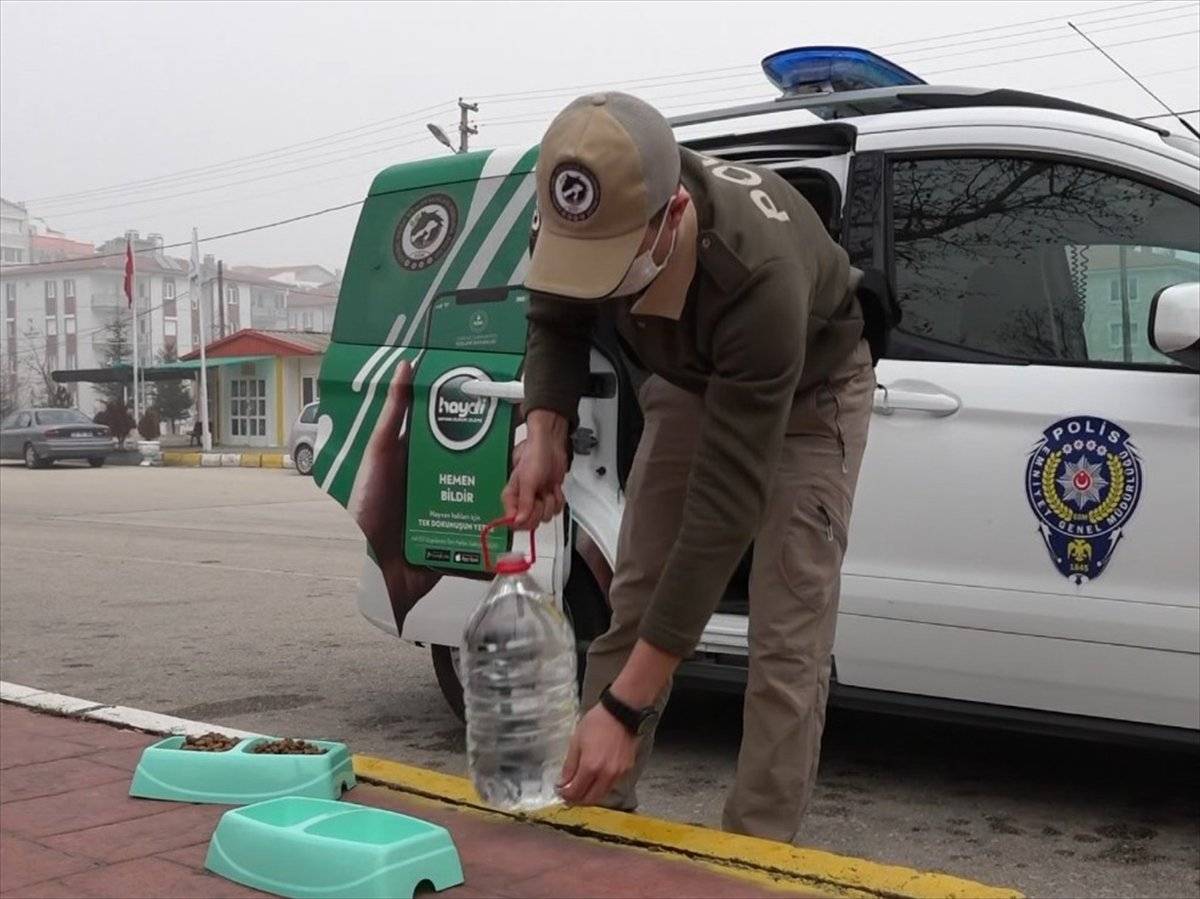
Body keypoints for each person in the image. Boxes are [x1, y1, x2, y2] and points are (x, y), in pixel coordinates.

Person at [503, 92, 876, 843]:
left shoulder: (757, 275)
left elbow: (720, 515)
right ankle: (595, 818)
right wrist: (543, 426)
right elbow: (554, 314)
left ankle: (754, 853)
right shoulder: (579, 207)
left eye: (612, 264)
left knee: (786, 636)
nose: (598, 284)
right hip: (688, 379)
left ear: (672, 215)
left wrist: (621, 707)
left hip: (807, 393)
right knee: (634, 591)